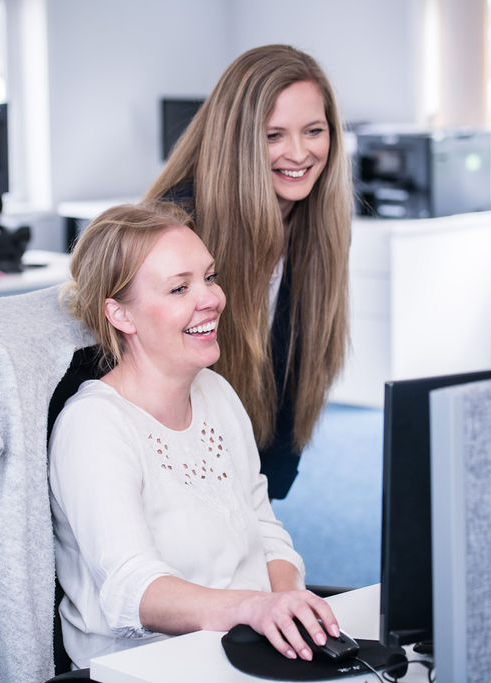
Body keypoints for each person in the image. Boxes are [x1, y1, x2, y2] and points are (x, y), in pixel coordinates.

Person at [50, 201, 341, 670]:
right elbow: (134, 590)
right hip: (150, 666)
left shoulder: (216, 394)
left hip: (246, 646)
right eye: (179, 288)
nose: (211, 298)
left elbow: (265, 530)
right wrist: (252, 608)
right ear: (120, 314)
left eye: (209, 277)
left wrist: (291, 609)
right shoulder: (94, 428)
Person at [144, 44, 352, 500]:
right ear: (237, 139)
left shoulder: (314, 222)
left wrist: (262, 503)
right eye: (273, 135)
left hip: (248, 478)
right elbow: (149, 387)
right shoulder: (179, 229)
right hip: (172, 479)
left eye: (314, 131)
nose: (299, 153)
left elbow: (293, 371)